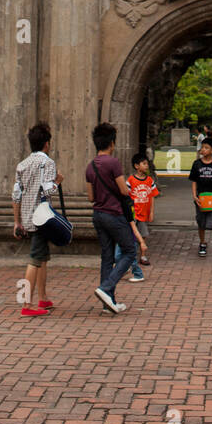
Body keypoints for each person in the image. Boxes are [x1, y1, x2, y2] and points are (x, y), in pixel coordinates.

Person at [86, 123, 147, 313]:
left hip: (98, 214)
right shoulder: (113, 163)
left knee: (107, 256)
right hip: (114, 214)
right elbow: (123, 189)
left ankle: (108, 302)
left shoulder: (90, 166)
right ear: (112, 143)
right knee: (129, 251)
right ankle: (106, 288)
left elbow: (90, 197)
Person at [11, 121, 64, 316]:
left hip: (27, 217)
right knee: (34, 260)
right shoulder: (47, 163)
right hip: (42, 217)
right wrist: (57, 182)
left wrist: (17, 222)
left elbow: (16, 194)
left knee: (42, 257)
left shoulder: (22, 164)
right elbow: (48, 189)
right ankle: (26, 304)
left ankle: (42, 298)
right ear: (46, 144)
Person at [114, 151, 159, 275]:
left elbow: (152, 196)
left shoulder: (150, 180)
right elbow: (126, 195)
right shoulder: (131, 180)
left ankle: (142, 255)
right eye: (144, 163)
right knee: (132, 235)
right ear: (136, 166)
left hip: (144, 212)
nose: (146, 166)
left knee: (143, 234)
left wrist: (151, 212)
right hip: (134, 213)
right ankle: (129, 259)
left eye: (146, 163)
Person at [189, 138, 212, 261]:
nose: (203, 150)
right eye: (202, 147)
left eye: (206, 148)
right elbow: (193, 181)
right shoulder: (197, 164)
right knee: (201, 222)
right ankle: (203, 243)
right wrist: (194, 196)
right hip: (201, 198)